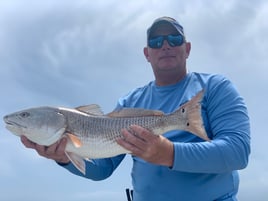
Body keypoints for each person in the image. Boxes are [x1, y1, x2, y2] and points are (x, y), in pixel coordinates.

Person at [21, 16, 251, 201]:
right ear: (147, 54)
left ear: (187, 48)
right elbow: (103, 168)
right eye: (156, 42)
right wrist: (64, 158)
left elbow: (237, 152)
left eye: (174, 38)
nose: (165, 45)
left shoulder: (215, 87)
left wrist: (169, 154)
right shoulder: (129, 101)